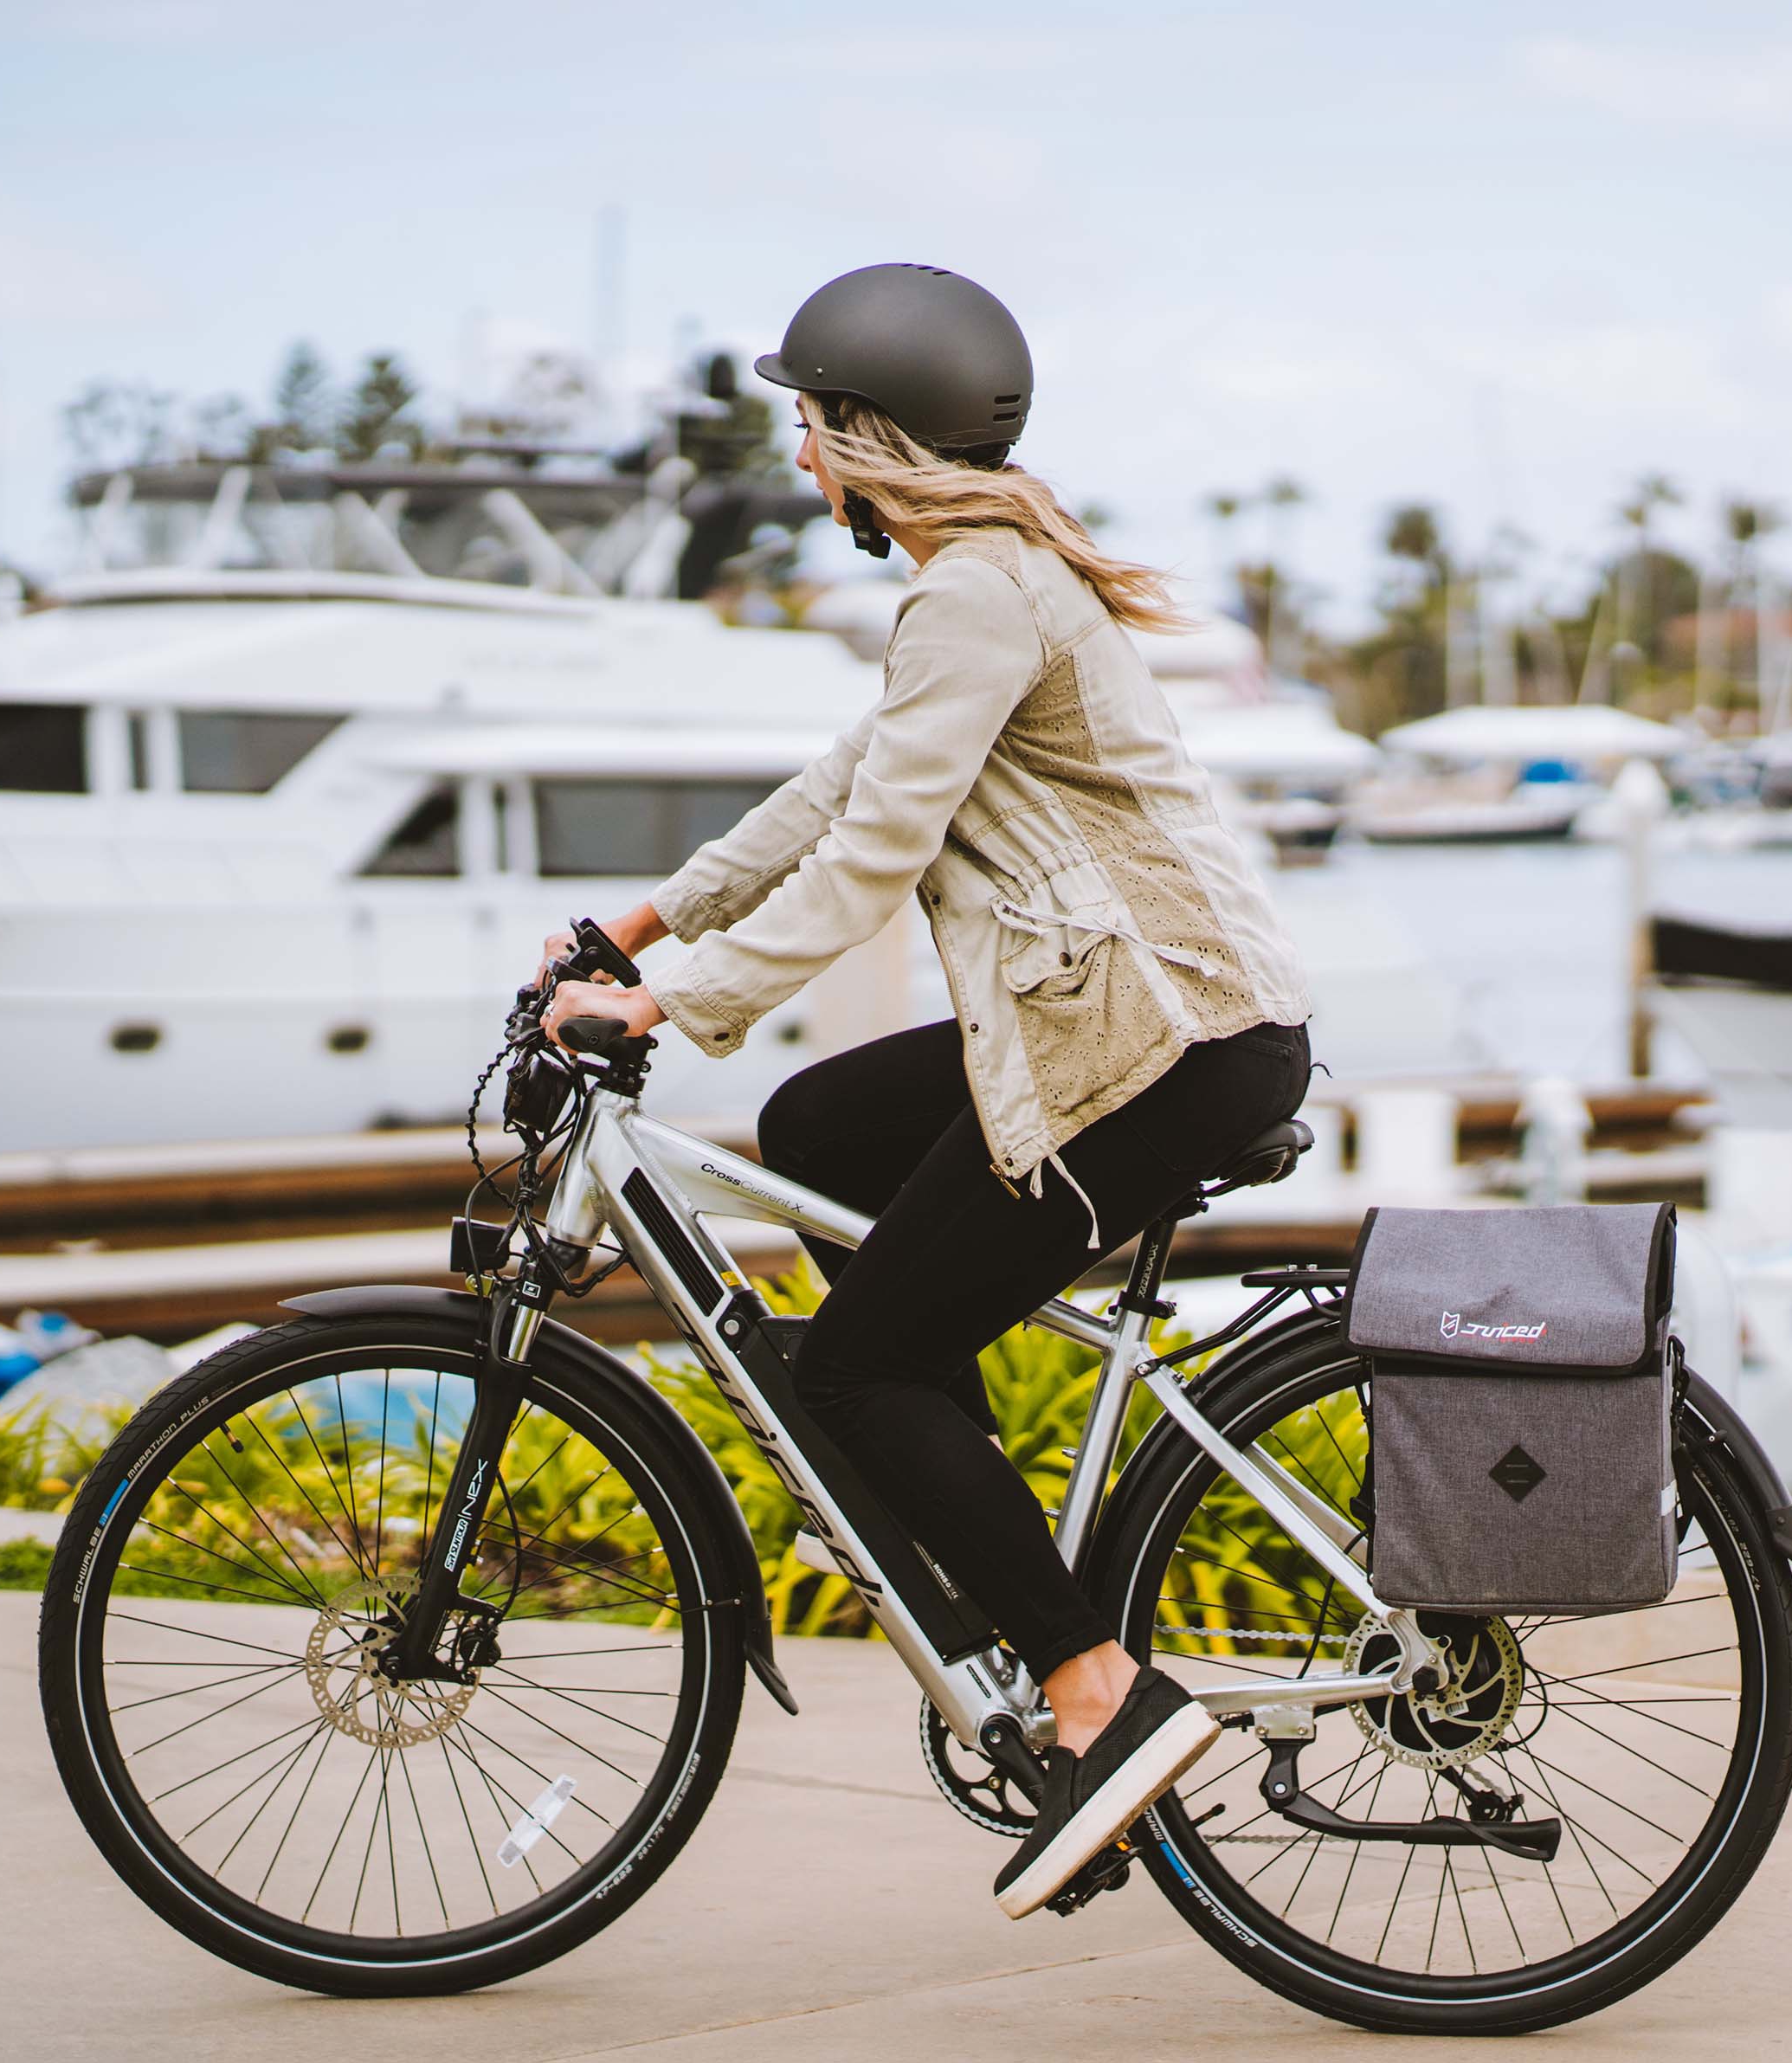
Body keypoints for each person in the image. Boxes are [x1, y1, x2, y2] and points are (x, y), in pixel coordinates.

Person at [538, 262, 1312, 1919]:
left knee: (863, 1364)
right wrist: (645, 920)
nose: (801, 464)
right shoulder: (984, 585)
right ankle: (952, 1514)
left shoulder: (978, 593)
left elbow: (883, 849)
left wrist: (672, 1005)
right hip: (1123, 1026)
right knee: (815, 1134)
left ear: (861, 434)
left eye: (807, 428)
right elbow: (846, 787)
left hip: (1159, 1050)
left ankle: (1100, 1702)